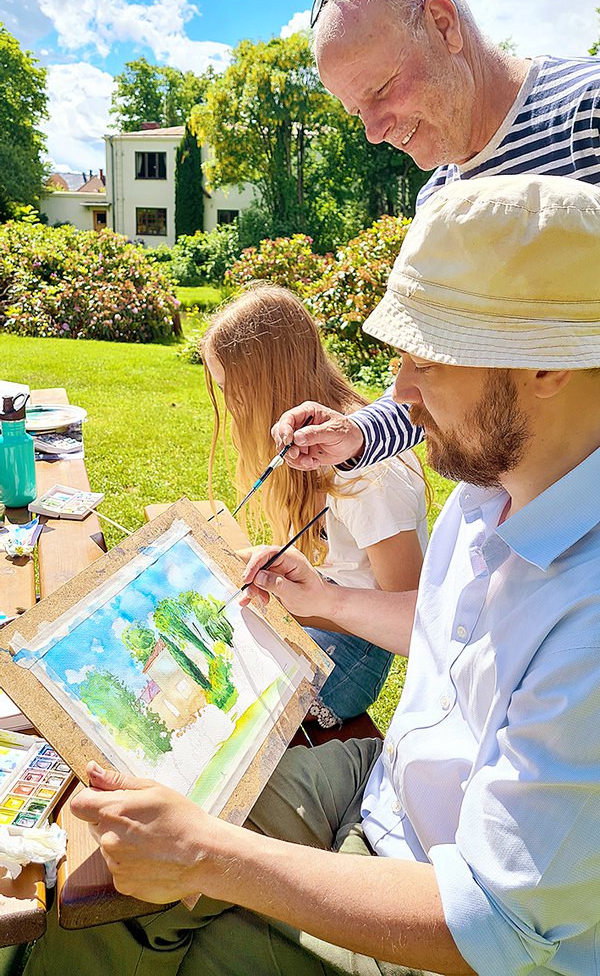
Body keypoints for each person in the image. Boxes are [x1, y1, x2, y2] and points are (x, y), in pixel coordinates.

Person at [21, 173, 600, 976]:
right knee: (108, 890)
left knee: (164, 926)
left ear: (547, 366)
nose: (397, 393)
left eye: (426, 361)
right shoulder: (493, 484)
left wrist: (211, 857)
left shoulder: (589, 608)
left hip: (442, 912)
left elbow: (499, 926)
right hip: (381, 785)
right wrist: (322, 597)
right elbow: (443, 627)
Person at [276, 0, 600, 472]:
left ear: (444, 25)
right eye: (358, 112)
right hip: (514, 529)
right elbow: (450, 385)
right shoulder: (437, 199)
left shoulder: (588, 113)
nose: (375, 132)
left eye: (381, 91)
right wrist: (355, 433)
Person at [200, 283, 428, 725]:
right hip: (312, 614)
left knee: (220, 715)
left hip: (352, 647)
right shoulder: (311, 445)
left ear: (268, 383)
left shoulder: (368, 473)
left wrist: (303, 603)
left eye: (235, 391)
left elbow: (412, 609)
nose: (230, 407)